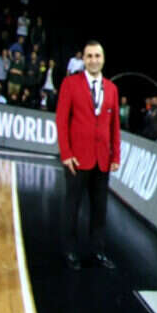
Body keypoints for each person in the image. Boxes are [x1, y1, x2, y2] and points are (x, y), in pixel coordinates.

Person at [56, 40, 121, 271]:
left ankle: (97, 251)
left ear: (103, 59)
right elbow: (61, 120)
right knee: (72, 207)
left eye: (97, 56)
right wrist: (66, 154)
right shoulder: (70, 83)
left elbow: (114, 125)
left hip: (102, 160)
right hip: (77, 159)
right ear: (83, 59)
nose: (94, 60)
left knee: (99, 210)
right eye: (89, 56)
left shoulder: (111, 89)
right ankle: (70, 251)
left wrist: (116, 156)